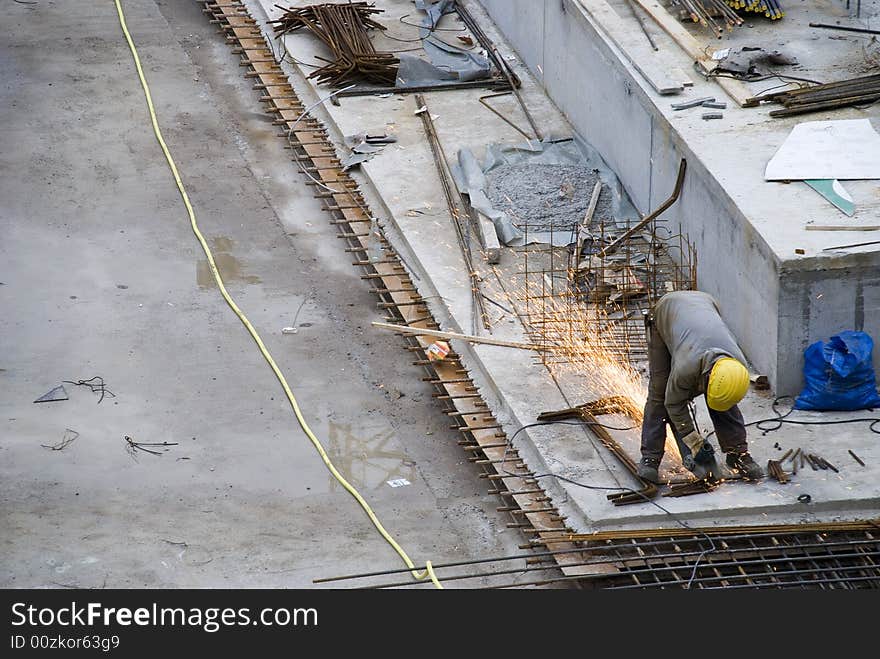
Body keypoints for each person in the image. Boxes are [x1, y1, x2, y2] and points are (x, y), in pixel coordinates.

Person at [637, 290, 763, 484]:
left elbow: (724, 396)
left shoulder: (736, 367)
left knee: (723, 399)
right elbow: (674, 404)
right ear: (705, 377)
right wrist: (692, 440)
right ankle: (650, 457)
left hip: (706, 305)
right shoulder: (687, 368)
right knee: (660, 393)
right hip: (665, 312)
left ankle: (737, 453)